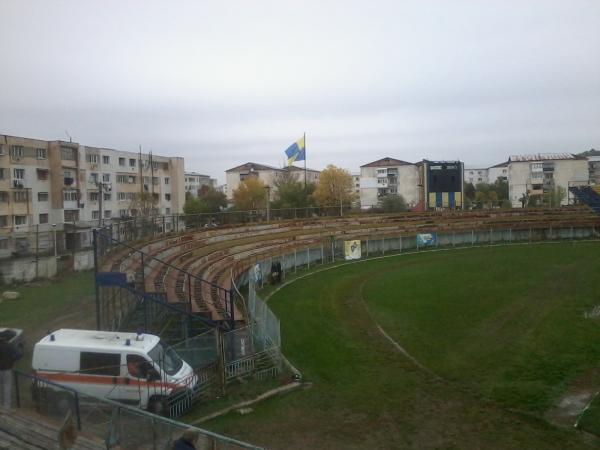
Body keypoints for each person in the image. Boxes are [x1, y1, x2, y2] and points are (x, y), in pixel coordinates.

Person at [0, 336, 19, 409]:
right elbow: (18, 354)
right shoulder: (9, 345)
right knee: (7, 387)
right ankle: (6, 406)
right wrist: (12, 360)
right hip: (7, 369)